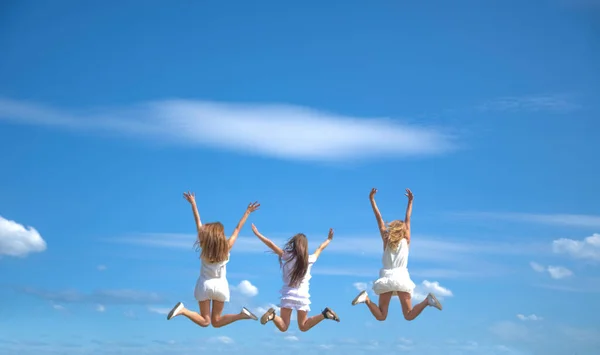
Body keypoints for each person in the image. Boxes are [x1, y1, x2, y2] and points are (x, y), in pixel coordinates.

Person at [166, 191, 260, 327]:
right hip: (221, 286)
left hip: (204, 285)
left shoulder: (205, 247)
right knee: (216, 322)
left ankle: (183, 310)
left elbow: (198, 222)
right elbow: (237, 229)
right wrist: (248, 212)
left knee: (205, 321)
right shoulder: (226, 248)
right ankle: (242, 315)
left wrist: (193, 203)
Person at [351, 188, 442, 321]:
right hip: (401, 277)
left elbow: (379, 219)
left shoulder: (386, 240)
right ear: (404, 230)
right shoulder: (407, 240)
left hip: (386, 277)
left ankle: (366, 299)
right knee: (408, 315)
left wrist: (372, 199)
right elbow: (408, 218)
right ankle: (427, 301)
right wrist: (410, 202)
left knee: (382, 316)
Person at [251, 223, 340, 332]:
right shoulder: (309, 259)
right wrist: (329, 239)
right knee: (303, 326)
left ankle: (273, 316)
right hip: (302, 296)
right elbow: (320, 248)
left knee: (283, 326)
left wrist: (257, 234)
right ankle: (325, 315)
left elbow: (270, 244)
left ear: (294, 244)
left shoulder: (287, 256)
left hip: (288, 294)